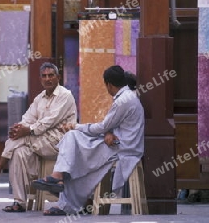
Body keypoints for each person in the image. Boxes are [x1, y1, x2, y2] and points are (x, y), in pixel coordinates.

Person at [32, 65, 144, 216]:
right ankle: (63, 184)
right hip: (119, 142)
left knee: (74, 145)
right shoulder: (128, 97)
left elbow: (103, 126)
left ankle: (62, 185)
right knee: (74, 150)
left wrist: (76, 126)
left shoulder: (122, 101)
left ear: (109, 84)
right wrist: (108, 132)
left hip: (122, 147)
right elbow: (112, 125)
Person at [0, 62, 77, 213]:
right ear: (40, 79)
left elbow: (49, 121)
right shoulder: (40, 98)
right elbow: (28, 118)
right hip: (39, 141)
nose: (48, 79)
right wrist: (19, 128)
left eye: (51, 75)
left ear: (58, 77)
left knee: (19, 139)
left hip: (58, 143)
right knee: (18, 152)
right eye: (44, 76)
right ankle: (19, 202)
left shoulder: (65, 95)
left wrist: (27, 130)